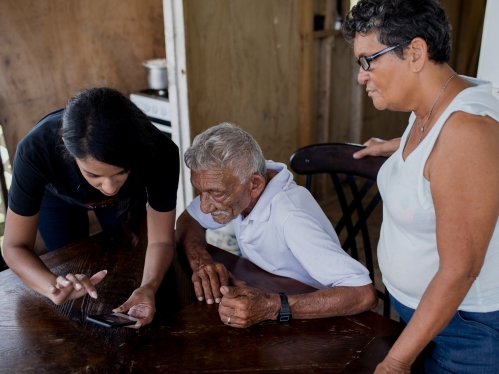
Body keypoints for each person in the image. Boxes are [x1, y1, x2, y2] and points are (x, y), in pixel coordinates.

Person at [342, 0, 499, 372]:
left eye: (368, 60)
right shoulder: (432, 105)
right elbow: (438, 151)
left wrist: (396, 360)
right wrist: (395, 148)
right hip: (425, 317)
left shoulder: (466, 133)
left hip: (465, 331)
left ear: (415, 53)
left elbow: (459, 271)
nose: (361, 75)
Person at [3, 87, 179, 328]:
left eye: (121, 171)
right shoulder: (35, 150)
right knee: (67, 261)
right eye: (94, 174)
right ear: (66, 144)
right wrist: (52, 286)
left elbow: (161, 241)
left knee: (129, 259)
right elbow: (14, 247)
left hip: (128, 197)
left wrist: (148, 287)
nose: (108, 188)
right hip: (56, 198)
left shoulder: (160, 151)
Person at [176, 123, 378, 328]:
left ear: (255, 185)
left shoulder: (290, 218)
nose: (204, 205)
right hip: (269, 285)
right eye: (200, 192)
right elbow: (188, 219)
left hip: (318, 317)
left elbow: (363, 294)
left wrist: (271, 306)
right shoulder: (240, 180)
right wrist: (201, 262)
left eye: (216, 193)